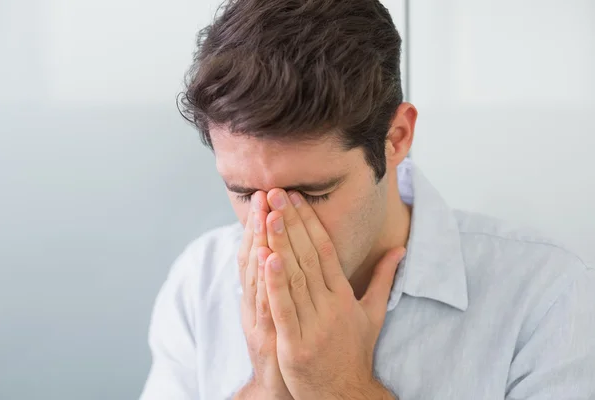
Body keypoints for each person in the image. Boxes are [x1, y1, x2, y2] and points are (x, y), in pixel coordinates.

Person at [140, 0, 595, 399]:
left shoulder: (549, 297)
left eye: (312, 193)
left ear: (396, 138)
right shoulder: (199, 283)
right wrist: (266, 386)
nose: (271, 229)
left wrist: (339, 387)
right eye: (242, 193)